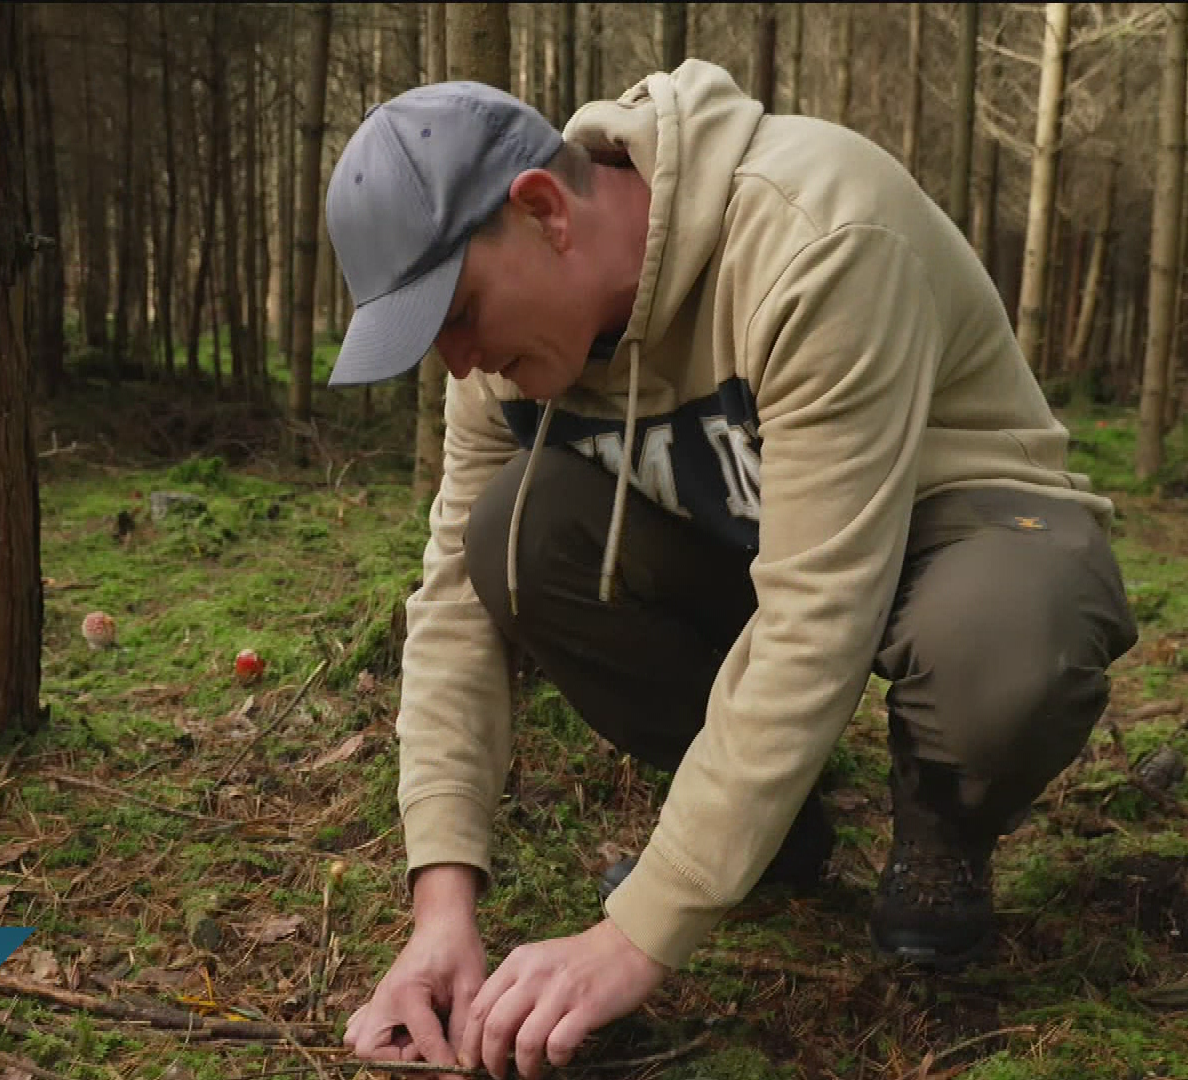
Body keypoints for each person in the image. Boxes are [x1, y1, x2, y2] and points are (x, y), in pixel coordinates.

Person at [322, 61, 1139, 1080]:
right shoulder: (505, 350)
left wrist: (635, 938)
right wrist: (441, 908)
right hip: (749, 536)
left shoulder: (815, 234)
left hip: (960, 523)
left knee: (1009, 650)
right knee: (510, 539)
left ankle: (941, 832)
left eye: (455, 315)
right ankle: (776, 838)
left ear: (543, 211)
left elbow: (816, 612)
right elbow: (454, 600)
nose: (455, 364)